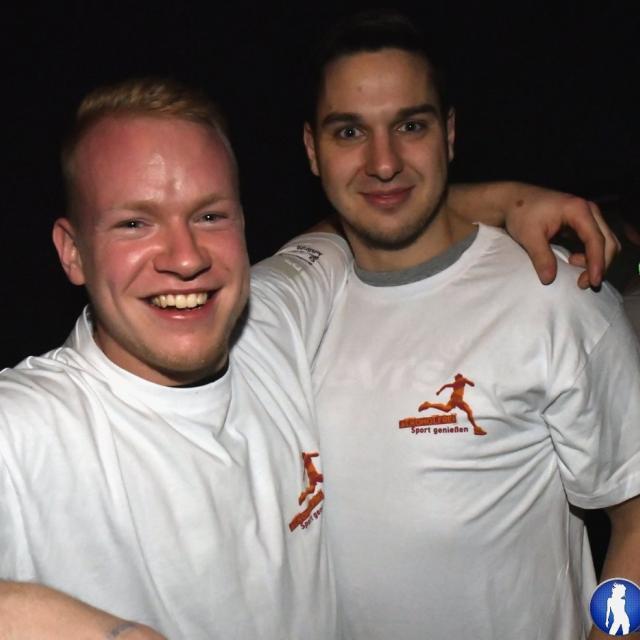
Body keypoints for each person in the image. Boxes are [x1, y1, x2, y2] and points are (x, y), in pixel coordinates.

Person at [0, 77, 619, 638]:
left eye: (210, 215)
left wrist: (508, 200)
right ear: (72, 251)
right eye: (135, 224)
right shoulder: (27, 429)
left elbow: (351, 224)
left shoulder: (275, 315)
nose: (186, 258)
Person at [301, 11, 640, 640]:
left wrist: (616, 633)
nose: (383, 162)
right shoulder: (294, 312)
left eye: (411, 126)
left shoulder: (552, 298)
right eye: (349, 131)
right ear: (311, 151)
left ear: (449, 134)